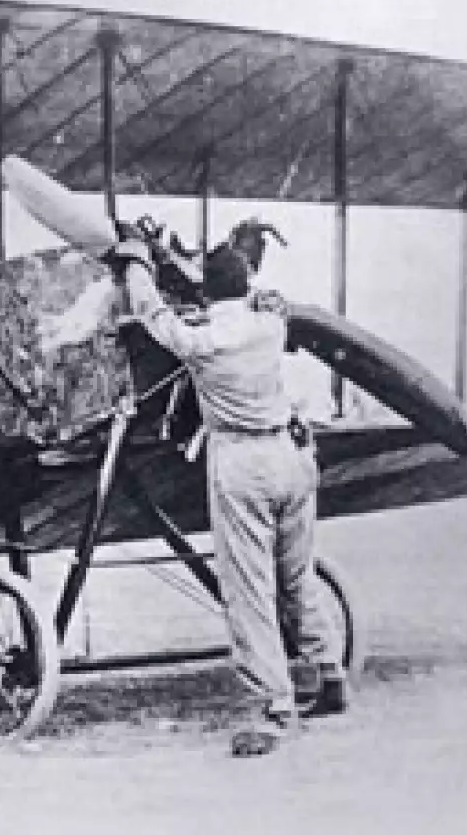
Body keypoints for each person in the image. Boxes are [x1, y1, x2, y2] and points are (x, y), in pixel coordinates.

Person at [43, 236, 347, 757]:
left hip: (243, 463)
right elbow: (267, 302)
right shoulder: (270, 324)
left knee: (248, 591)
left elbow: (152, 312)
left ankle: (274, 710)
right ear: (246, 284)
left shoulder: (202, 339)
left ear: (208, 292)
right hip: (293, 456)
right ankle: (330, 673)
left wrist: (137, 260)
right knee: (295, 577)